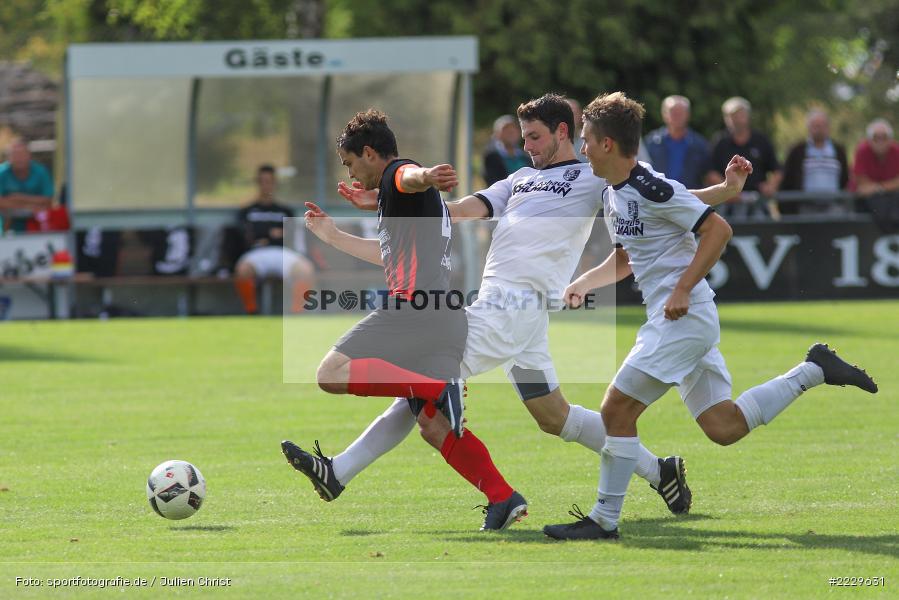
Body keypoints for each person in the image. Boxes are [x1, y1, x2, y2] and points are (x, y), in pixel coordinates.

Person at [296, 94, 754, 526]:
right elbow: (454, 210)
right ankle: (660, 471)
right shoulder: (516, 180)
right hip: (511, 313)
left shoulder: (595, 174)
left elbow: (668, 195)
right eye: (523, 137)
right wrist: (380, 199)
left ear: (562, 131)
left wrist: (726, 190)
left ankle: (344, 472)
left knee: (424, 395)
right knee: (554, 417)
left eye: (534, 137)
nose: (527, 146)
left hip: (511, 312)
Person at [543, 92, 878, 541]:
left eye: (585, 140)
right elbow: (631, 253)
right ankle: (813, 370)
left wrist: (682, 286)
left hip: (682, 318)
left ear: (607, 145)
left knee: (615, 411)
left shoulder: (646, 186)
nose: (581, 148)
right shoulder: (619, 191)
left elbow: (717, 230)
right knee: (724, 427)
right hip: (680, 320)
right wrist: (584, 282)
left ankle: (604, 520)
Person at [282, 110, 530, 530]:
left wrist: (428, 173)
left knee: (330, 372)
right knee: (433, 426)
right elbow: (388, 255)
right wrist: (333, 236)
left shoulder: (401, 175)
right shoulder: (398, 200)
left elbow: (408, 175)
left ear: (369, 152)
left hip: (414, 311)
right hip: (443, 316)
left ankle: (435, 387)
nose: (352, 173)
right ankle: (504, 497)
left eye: (350, 163)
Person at [233, 165, 315, 314]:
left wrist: (264, 234)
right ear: (257, 183)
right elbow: (245, 236)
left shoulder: (284, 210)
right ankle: (252, 312)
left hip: (282, 251)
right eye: (263, 181)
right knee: (243, 270)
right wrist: (273, 233)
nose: (266, 185)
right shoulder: (246, 211)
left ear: (275, 183)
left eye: (270, 181)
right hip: (257, 253)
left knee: (305, 269)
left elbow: (290, 235)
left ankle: (297, 313)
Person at [707, 97, 781, 219]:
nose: (736, 119)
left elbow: (777, 169)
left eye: (740, 114)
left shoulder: (761, 140)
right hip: (728, 204)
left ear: (748, 116)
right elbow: (710, 172)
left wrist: (770, 186)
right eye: (732, 116)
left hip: (758, 202)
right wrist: (726, 189)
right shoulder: (720, 142)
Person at [780, 109, 850, 215]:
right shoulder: (797, 150)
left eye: (822, 125)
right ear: (809, 127)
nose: (819, 129)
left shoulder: (839, 151)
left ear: (828, 127)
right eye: (816, 126)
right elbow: (788, 179)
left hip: (834, 206)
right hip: (805, 207)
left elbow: (845, 178)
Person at [644, 95, 710, 189]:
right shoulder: (651, 142)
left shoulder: (700, 145)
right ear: (664, 114)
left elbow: (708, 175)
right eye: (673, 112)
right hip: (657, 199)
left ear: (688, 115)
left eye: (681, 113)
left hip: (690, 199)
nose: (677, 116)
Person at [0, 139, 54, 232]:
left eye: (22, 154)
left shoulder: (41, 172)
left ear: (29, 156)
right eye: (15, 155)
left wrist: (17, 197)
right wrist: (32, 205)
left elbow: (47, 201)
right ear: (9, 158)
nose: (19, 158)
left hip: (38, 227)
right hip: (7, 228)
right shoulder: (2, 173)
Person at [852, 118, 899, 197]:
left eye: (884, 137)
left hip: (892, 198)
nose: (880, 141)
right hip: (864, 199)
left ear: (891, 139)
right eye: (876, 138)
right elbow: (860, 181)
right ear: (869, 140)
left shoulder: (897, 151)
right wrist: (889, 185)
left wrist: (879, 187)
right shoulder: (862, 150)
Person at [482, 115, 531, 185]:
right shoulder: (491, 157)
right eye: (506, 129)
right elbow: (492, 182)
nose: (511, 132)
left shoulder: (527, 156)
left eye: (514, 129)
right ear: (497, 134)